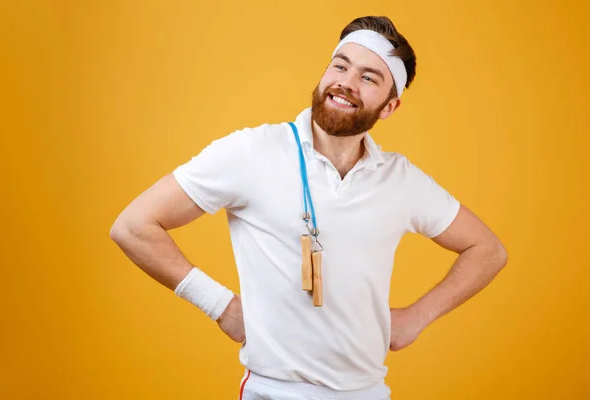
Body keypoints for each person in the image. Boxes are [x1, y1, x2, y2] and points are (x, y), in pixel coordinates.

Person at [110, 15, 508, 400]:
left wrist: (417, 318)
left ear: (389, 106)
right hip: (274, 391)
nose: (346, 83)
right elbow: (133, 226)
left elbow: (488, 250)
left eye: (369, 78)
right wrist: (219, 305)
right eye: (341, 66)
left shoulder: (400, 179)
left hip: (367, 393)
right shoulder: (252, 151)